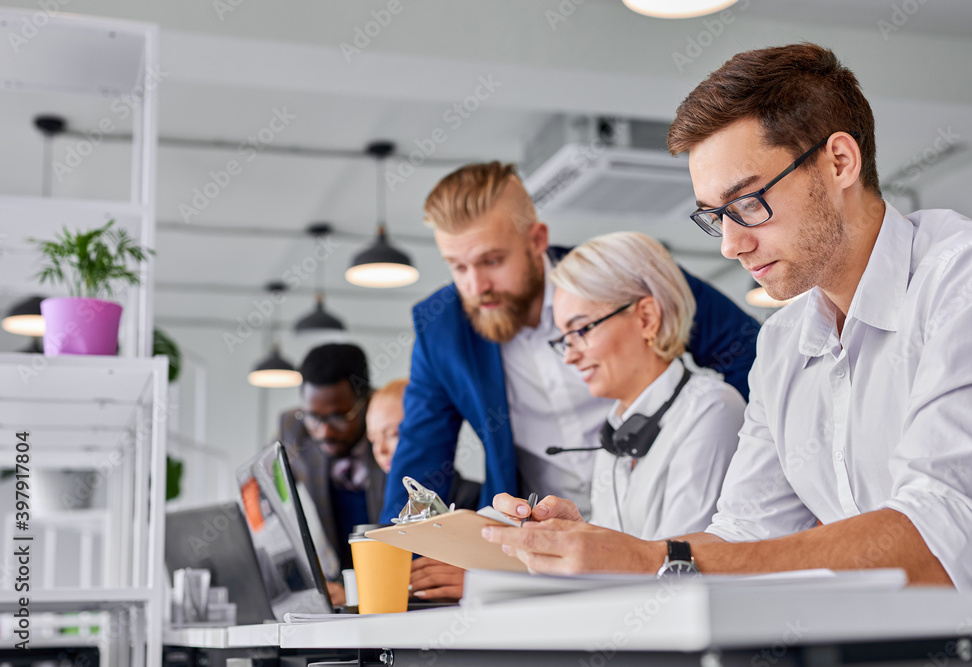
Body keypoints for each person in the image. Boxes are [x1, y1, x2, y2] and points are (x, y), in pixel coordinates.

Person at [483, 43, 972, 590]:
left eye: (748, 202)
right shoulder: (782, 343)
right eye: (715, 217)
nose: (730, 245)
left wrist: (648, 559)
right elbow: (742, 534)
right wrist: (609, 552)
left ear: (840, 162)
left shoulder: (970, 281)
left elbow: (936, 538)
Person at [381, 163, 761, 524]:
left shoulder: (619, 278)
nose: (475, 286)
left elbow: (751, 354)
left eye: (492, 261)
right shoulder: (443, 328)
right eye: (458, 267)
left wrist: (759, 458)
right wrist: (399, 566)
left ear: (536, 240)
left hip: (660, 505)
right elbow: (421, 457)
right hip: (546, 528)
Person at [549, 231, 745, 539]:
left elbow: (682, 563)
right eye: (564, 339)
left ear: (646, 318)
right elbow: (616, 561)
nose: (569, 357)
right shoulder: (615, 436)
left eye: (582, 329)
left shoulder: (712, 408)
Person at [279, 343, 385, 602]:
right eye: (315, 417)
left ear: (366, 401)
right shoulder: (296, 428)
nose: (324, 432)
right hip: (341, 583)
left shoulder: (392, 426)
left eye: (339, 416)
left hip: (391, 580)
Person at [366, 378, 476, 600]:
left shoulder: (473, 499)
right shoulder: (382, 499)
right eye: (373, 439)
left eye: (394, 435)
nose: (381, 450)